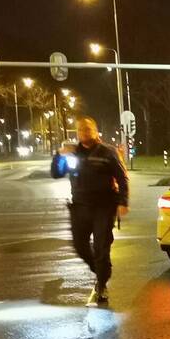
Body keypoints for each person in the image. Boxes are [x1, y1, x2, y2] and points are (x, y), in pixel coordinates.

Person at [51, 117, 129, 305]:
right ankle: (102, 270)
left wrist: (123, 202)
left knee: (101, 246)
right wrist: (59, 155)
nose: (83, 133)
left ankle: (101, 285)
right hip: (80, 206)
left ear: (95, 131)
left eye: (87, 129)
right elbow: (56, 173)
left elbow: (122, 177)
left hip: (104, 205)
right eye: (79, 130)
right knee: (79, 245)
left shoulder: (107, 152)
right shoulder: (73, 153)